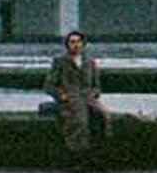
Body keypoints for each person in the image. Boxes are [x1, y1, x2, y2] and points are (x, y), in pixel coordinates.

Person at [43, 29, 111, 163]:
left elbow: (96, 85)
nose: (76, 45)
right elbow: (49, 85)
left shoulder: (90, 62)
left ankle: (98, 155)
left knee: (104, 119)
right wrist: (62, 96)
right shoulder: (60, 62)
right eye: (72, 42)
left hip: (88, 99)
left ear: (83, 44)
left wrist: (93, 94)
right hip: (70, 101)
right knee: (79, 123)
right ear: (67, 45)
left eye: (78, 42)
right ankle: (79, 156)